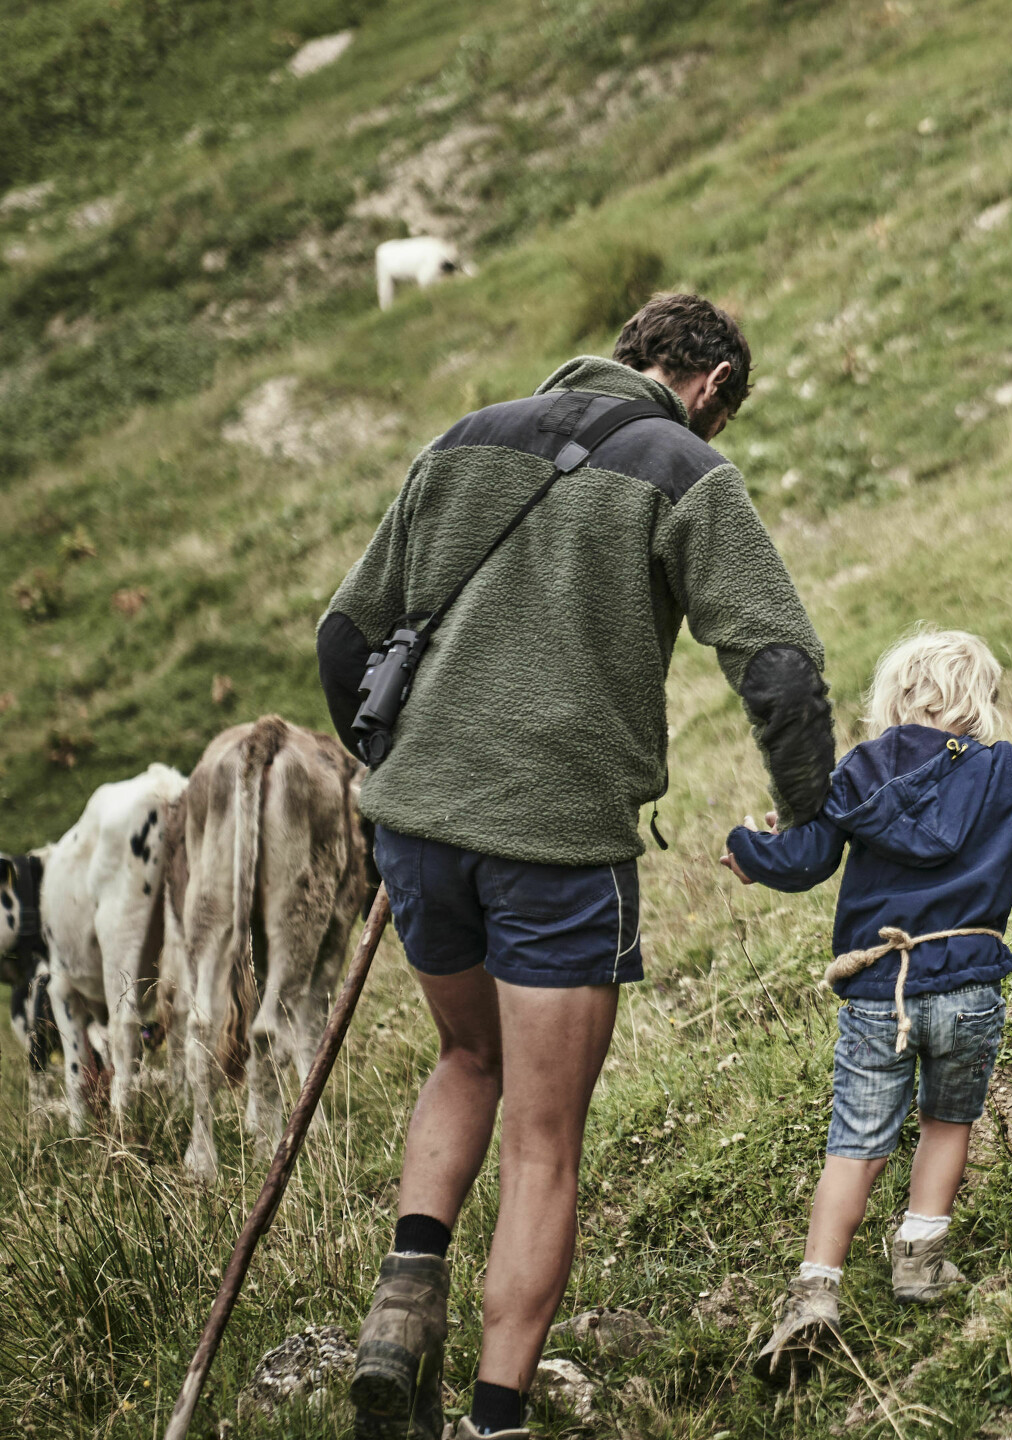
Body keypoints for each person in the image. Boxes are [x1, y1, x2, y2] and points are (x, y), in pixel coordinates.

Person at [318, 293, 836, 1440]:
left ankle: (403, 1307)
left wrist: (390, 769)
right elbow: (779, 665)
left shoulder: (463, 439)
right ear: (706, 387)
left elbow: (343, 637)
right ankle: (495, 1420)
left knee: (464, 1054)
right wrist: (811, 815)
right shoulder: (684, 466)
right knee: (544, 1141)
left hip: (417, 825)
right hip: (556, 845)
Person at [719, 628, 1012, 1382]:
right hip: (969, 984)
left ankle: (816, 1290)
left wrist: (749, 849)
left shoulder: (855, 775)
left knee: (856, 1142)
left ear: (896, 699)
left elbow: (806, 859)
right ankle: (920, 1260)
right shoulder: (1005, 772)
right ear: (978, 704)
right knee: (948, 1122)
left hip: (882, 990)